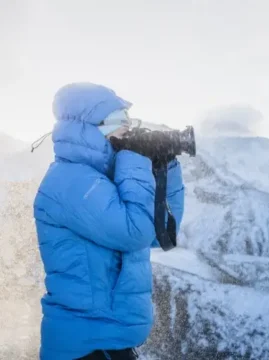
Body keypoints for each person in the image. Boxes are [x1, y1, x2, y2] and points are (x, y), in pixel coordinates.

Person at [33, 83, 185, 360]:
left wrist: (166, 166)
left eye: (129, 121)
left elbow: (159, 234)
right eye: (120, 121)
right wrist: (135, 158)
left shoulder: (105, 179)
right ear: (90, 128)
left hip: (108, 342)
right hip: (86, 345)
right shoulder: (69, 181)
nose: (128, 129)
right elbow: (134, 233)